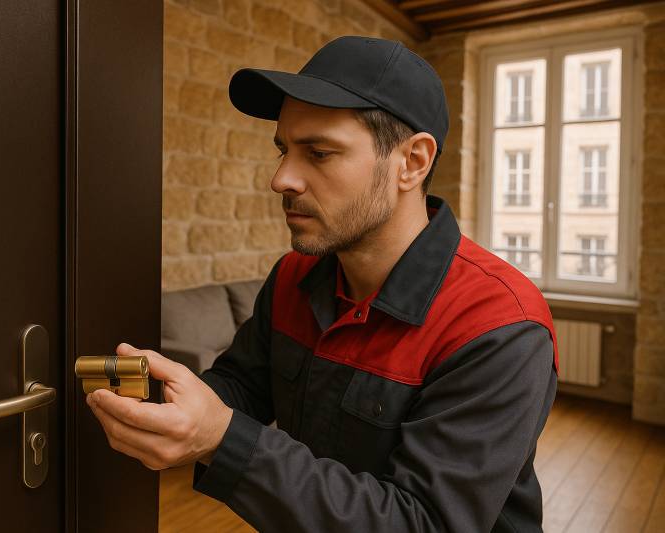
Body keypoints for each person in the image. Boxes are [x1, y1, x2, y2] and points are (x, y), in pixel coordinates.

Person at [86, 35, 560, 532]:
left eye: (319, 153)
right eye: (283, 150)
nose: (281, 179)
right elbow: (242, 385)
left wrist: (222, 439)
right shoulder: (294, 276)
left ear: (413, 162)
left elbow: (424, 523)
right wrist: (169, 407)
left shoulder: (498, 326)